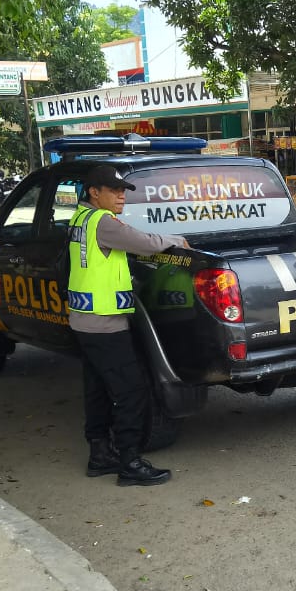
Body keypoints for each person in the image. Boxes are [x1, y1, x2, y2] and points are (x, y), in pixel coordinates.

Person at [67, 163, 189, 487]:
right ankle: (130, 462)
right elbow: (144, 242)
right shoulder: (103, 222)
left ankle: (99, 454)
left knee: (97, 389)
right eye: (115, 191)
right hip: (104, 322)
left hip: (85, 319)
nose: (122, 196)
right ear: (94, 192)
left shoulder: (81, 218)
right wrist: (176, 240)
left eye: (123, 191)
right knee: (132, 391)